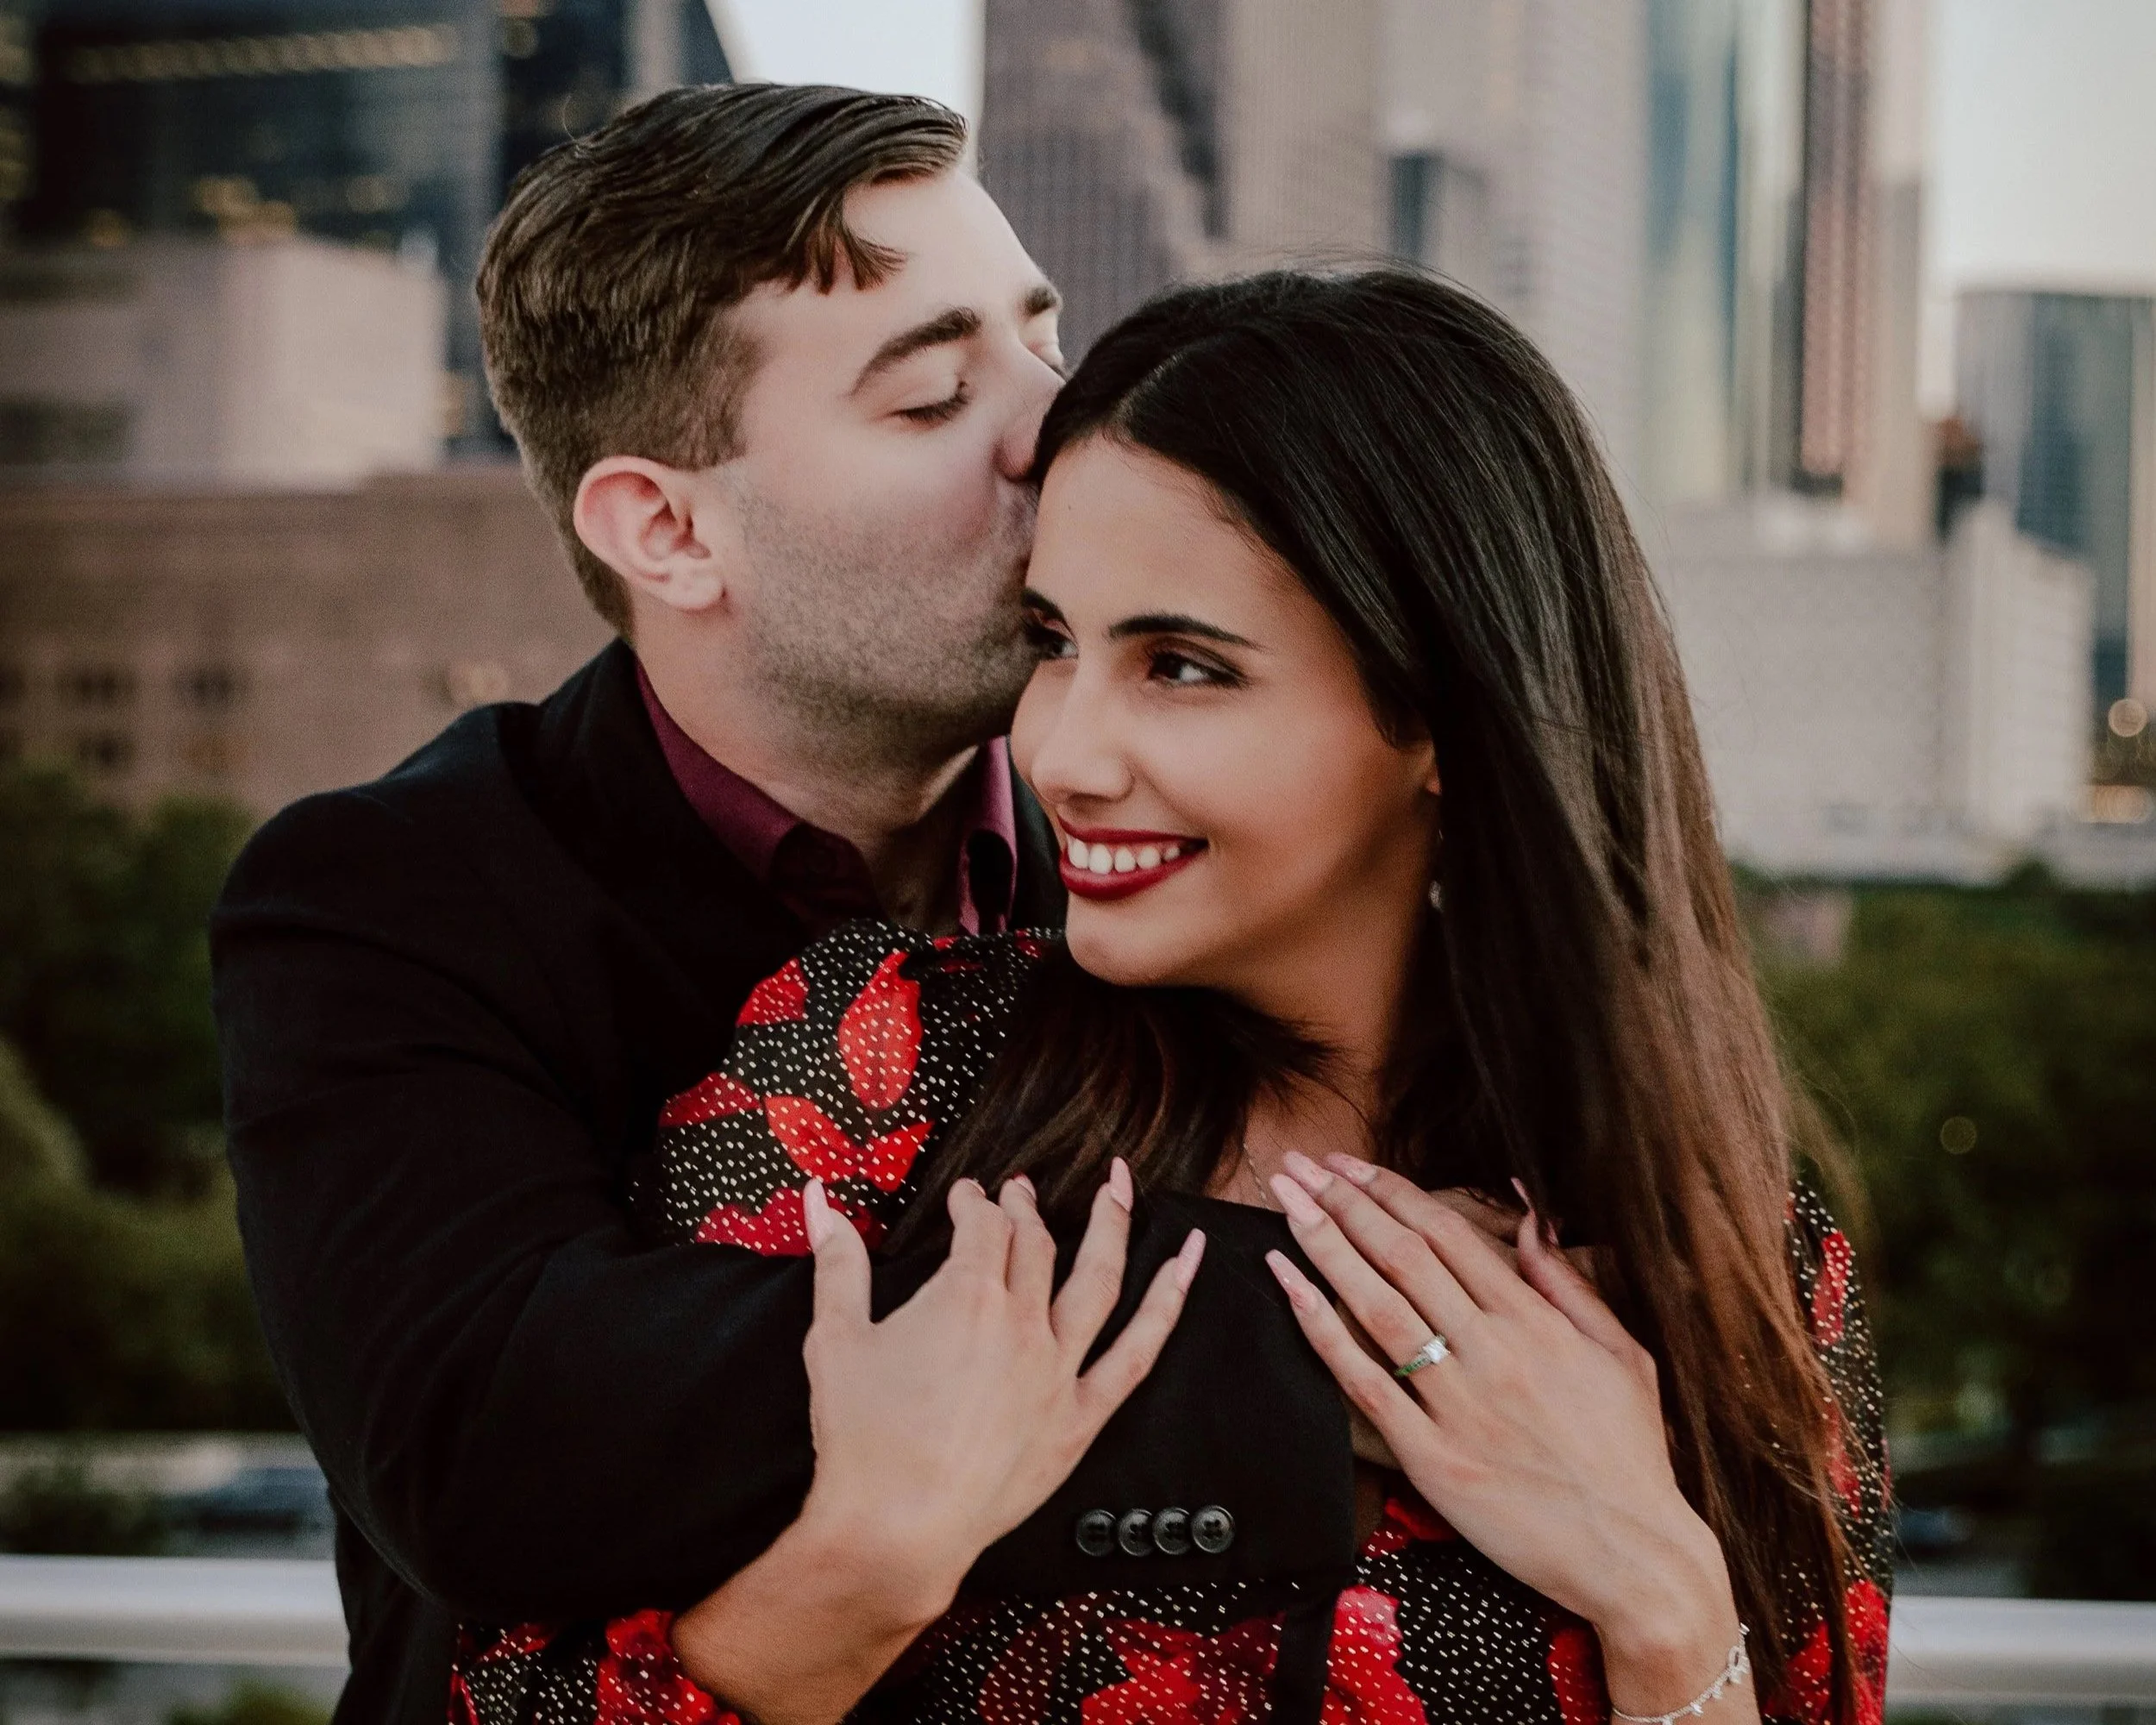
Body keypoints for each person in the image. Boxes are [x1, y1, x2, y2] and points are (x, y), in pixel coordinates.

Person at [447, 271, 1893, 1725]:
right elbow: (516, 1696)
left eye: (1184, 667)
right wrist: (871, 1561)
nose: (1064, 753)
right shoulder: (884, 1071)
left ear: (1447, 715)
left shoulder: (1732, 1255)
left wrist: (1663, 1599)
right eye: (1054, 644)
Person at [210, 85, 1346, 1725]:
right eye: (938, 394)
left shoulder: (1192, 849)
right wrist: (1380, 1339)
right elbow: (487, 1431)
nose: (1065, 426)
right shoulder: (388, 899)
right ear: (667, 528)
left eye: (1048, 344)